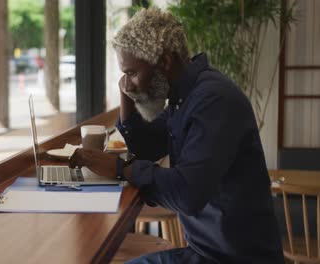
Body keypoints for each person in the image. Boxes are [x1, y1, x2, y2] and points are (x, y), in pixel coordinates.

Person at [69, 7, 284, 264]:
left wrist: (119, 168)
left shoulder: (213, 101)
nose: (127, 82)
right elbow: (147, 149)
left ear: (165, 62)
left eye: (132, 73)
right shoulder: (184, 97)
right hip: (206, 253)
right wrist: (128, 98)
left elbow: (187, 195)